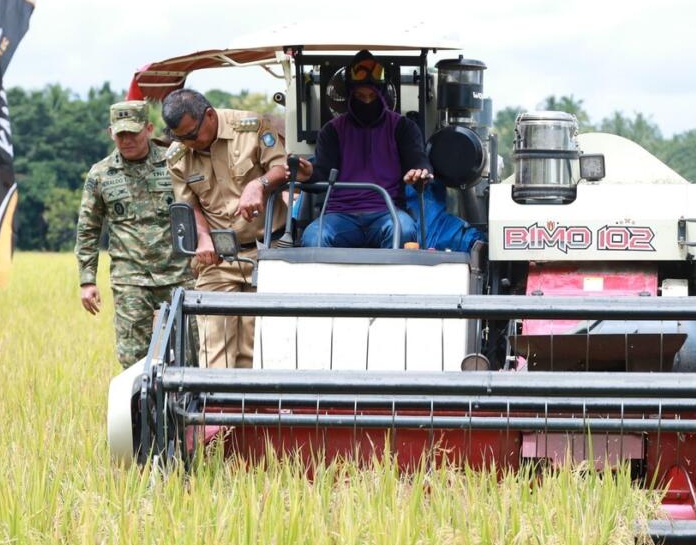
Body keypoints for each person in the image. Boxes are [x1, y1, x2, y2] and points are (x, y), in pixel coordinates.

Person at [162, 88, 310, 368]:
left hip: (267, 253)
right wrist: (203, 238)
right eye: (180, 138)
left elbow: (284, 168)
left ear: (208, 115)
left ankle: (253, 407)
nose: (188, 143)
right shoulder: (178, 155)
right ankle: (213, 407)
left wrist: (259, 185)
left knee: (258, 346)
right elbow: (189, 204)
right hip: (218, 256)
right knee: (214, 343)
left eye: (192, 135)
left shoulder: (251, 128)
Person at [75, 100, 190, 369]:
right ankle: (140, 409)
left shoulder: (176, 163)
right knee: (132, 358)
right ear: (110, 133)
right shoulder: (101, 174)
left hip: (178, 273)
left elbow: (199, 208)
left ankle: (186, 409)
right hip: (130, 279)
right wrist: (86, 280)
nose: (126, 140)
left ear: (148, 129)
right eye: (120, 134)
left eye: (133, 133)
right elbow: (88, 229)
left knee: (190, 351)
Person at [299, 50, 433, 249]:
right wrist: (309, 173)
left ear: (382, 93)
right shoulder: (332, 131)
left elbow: (418, 160)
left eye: (372, 96)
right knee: (313, 238)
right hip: (339, 215)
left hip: (388, 211)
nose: (367, 101)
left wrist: (420, 172)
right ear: (349, 94)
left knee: (403, 230)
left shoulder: (403, 128)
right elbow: (322, 171)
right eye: (361, 96)